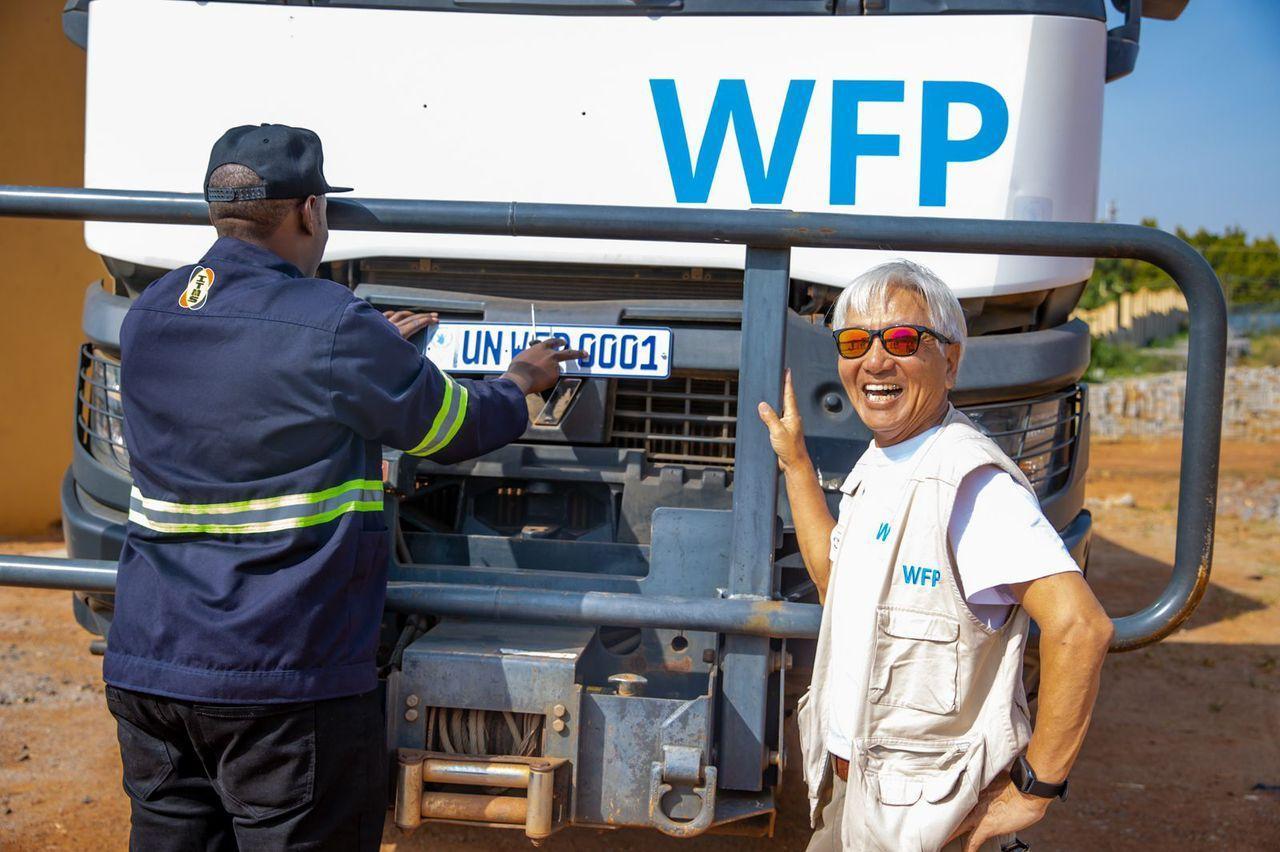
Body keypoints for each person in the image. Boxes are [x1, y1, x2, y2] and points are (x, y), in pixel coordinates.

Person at [102, 123, 583, 851]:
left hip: (151, 669)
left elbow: (246, 383)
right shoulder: (332, 325)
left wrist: (368, 355)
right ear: (310, 211)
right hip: (282, 680)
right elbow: (452, 427)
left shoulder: (153, 311)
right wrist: (520, 381)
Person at [758, 260, 1113, 852]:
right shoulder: (884, 460)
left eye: (902, 340)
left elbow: (1082, 627)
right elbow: (832, 584)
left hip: (926, 822)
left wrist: (1035, 789)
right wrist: (796, 462)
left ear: (950, 361)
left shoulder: (973, 485)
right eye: (855, 342)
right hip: (856, 799)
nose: (875, 362)